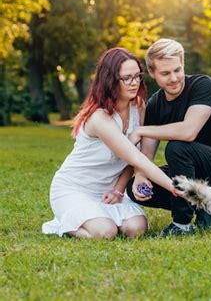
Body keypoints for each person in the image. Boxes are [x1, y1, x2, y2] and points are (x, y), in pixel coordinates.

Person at [42, 47, 178, 239]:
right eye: (127, 78)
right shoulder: (99, 117)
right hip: (75, 188)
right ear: (110, 80)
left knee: (136, 229)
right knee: (106, 232)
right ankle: (63, 223)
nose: (135, 83)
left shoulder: (138, 106)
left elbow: (133, 159)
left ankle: (98, 217)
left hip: (108, 190)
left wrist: (119, 189)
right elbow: (136, 157)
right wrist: (175, 188)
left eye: (138, 76)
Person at [126, 38, 211, 237]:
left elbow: (189, 131)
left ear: (183, 64)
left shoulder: (203, 85)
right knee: (135, 187)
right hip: (188, 168)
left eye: (177, 70)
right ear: (152, 73)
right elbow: (146, 156)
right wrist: (140, 175)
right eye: (165, 73)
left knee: (178, 147)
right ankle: (203, 207)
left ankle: (182, 224)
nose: (173, 78)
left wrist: (142, 130)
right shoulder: (155, 104)